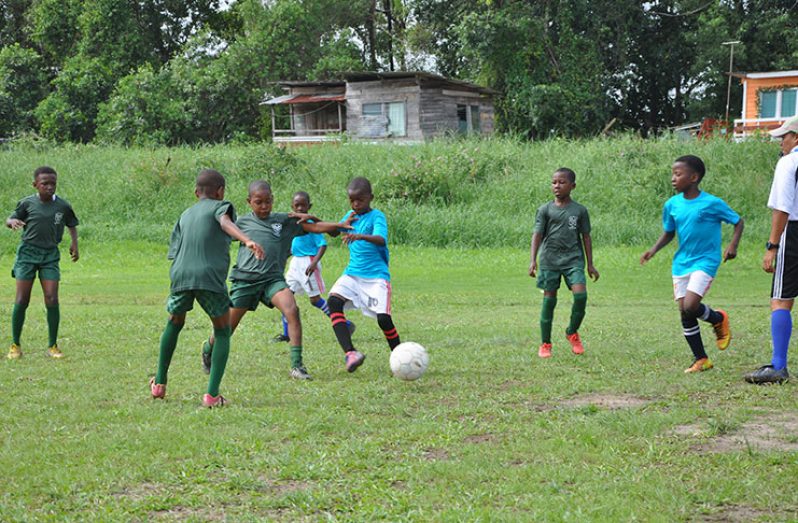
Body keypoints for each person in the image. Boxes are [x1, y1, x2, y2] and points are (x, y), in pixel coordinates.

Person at [201, 181, 349, 380]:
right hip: (245, 281)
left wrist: (337, 226)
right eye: (258, 202)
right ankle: (208, 347)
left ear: (273, 200)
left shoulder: (284, 221)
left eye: (268, 202)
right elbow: (220, 231)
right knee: (226, 329)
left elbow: (314, 228)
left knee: (292, 310)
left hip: (272, 280)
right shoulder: (242, 222)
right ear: (249, 202)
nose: (264, 207)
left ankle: (297, 366)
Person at [150, 169, 265, 408]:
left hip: (180, 274)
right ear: (220, 192)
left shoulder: (185, 214)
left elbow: (175, 250)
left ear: (196, 193)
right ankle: (212, 396)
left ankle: (159, 384)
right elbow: (224, 223)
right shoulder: (220, 207)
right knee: (222, 331)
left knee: (174, 322)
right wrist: (247, 240)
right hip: (209, 277)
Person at [641, 155, 744, 373]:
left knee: (690, 306)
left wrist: (732, 246)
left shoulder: (711, 203)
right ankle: (701, 359)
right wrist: (653, 250)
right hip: (681, 263)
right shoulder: (671, 205)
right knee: (685, 311)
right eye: (673, 174)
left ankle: (718, 318)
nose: (673, 179)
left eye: (678, 174)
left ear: (694, 177)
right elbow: (669, 232)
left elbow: (738, 221)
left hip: (706, 260)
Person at [327, 177, 400, 372]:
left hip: (376, 276)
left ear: (370, 198)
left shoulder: (377, 216)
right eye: (352, 200)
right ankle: (350, 353)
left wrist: (359, 235)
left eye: (360, 200)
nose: (356, 204)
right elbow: (334, 233)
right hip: (352, 274)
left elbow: (380, 239)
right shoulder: (352, 215)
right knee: (333, 301)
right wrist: (341, 224)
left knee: (384, 320)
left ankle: (400, 357)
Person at [745, 115, 798, 384]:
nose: (781, 142)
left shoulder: (789, 162)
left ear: (796, 138)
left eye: (784, 136)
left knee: (781, 299)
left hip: (795, 233)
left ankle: (778, 366)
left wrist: (772, 245)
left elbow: (783, 207)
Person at [5, 166, 79, 360]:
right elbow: (10, 218)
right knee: (22, 300)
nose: (49, 187)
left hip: (50, 256)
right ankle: (15, 345)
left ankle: (53, 345)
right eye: (44, 183)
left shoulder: (62, 206)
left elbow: (72, 224)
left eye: (53, 183)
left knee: (52, 298)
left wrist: (74, 244)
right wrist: (11, 222)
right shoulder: (27, 203)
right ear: (35, 184)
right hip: (27, 254)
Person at [529, 167, 599, 358]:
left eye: (562, 182)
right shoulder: (545, 210)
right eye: (554, 182)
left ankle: (572, 332)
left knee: (580, 297)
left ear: (572, 186)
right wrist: (532, 260)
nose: (557, 186)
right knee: (549, 301)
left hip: (573, 260)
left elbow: (586, 237)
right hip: (549, 260)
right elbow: (537, 234)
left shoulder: (579, 210)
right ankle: (545, 343)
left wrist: (590, 264)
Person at [273, 191, 354, 343]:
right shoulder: (292, 224)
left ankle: (346, 325)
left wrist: (314, 262)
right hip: (295, 263)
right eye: (297, 205)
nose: (300, 208)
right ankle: (287, 334)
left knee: (315, 300)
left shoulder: (311, 224)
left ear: (309, 206)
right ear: (292, 206)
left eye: (303, 205)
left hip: (308, 262)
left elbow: (322, 244)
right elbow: (294, 246)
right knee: (285, 297)